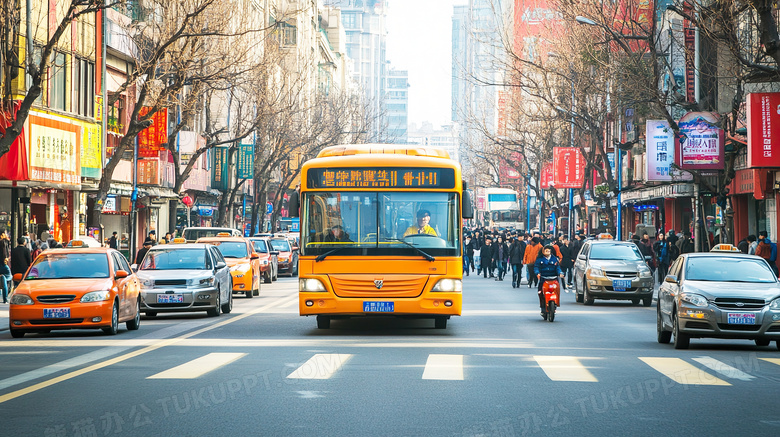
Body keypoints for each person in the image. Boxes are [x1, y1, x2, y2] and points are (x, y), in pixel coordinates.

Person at [533, 245, 564, 316]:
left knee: (556, 290)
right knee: (540, 292)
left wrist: (560, 273)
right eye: (546, 251)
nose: (547, 252)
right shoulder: (539, 259)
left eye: (549, 251)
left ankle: (556, 303)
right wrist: (537, 273)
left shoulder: (554, 259)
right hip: (543, 278)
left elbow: (558, 267)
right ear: (543, 252)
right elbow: (536, 267)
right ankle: (543, 308)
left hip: (553, 278)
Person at [0, 230, 11, 303]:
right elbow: (4, 253)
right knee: (7, 277)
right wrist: (5, 259)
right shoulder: (3, 242)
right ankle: (5, 298)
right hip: (2, 264)